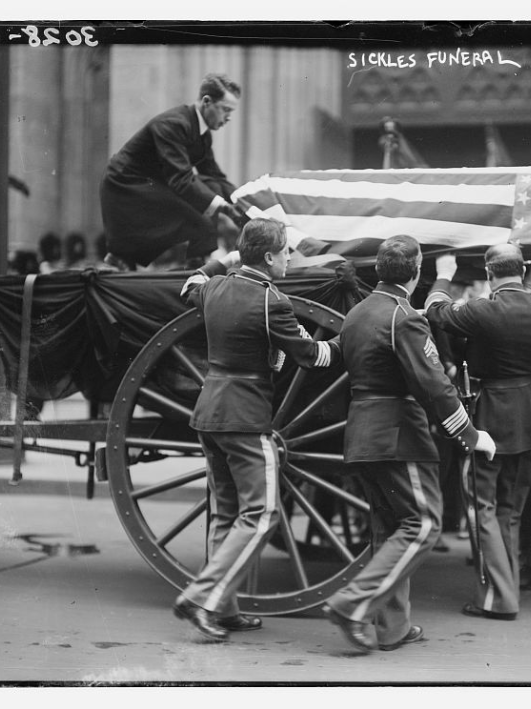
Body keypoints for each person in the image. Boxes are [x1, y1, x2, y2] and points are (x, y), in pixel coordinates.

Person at [322, 235, 496, 653]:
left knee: (390, 529)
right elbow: (435, 387)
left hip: (362, 433)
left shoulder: (357, 313)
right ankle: (352, 603)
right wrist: (471, 435)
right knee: (423, 525)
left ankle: (393, 628)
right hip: (399, 435)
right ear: (417, 272)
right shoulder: (405, 318)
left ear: (380, 269)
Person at [172, 218, 341, 642]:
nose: (289, 258)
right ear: (268, 257)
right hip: (245, 418)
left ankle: (222, 610)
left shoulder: (213, 289)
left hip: (209, 413)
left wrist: (221, 260)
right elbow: (309, 356)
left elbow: (189, 283)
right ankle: (204, 597)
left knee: (226, 513)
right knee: (262, 513)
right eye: (285, 251)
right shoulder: (272, 302)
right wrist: (345, 342)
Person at [424, 244, 531, 621]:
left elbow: (437, 310)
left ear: (489, 270)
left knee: (483, 505)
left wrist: (444, 276)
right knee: (510, 511)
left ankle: (497, 599)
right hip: (528, 414)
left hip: (491, 412)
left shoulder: (484, 309)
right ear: (524, 268)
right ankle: (506, 589)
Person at [100, 73, 242, 270]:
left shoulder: (203, 135)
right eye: (226, 110)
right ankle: (121, 257)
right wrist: (227, 209)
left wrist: (244, 201)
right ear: (207, 102)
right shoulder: (174, 124)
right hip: (127, 184)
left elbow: (215, 176)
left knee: (212, 188)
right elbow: (182, 180)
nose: (228, 118)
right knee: (200, 212)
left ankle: (197, 262)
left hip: (152, 181)